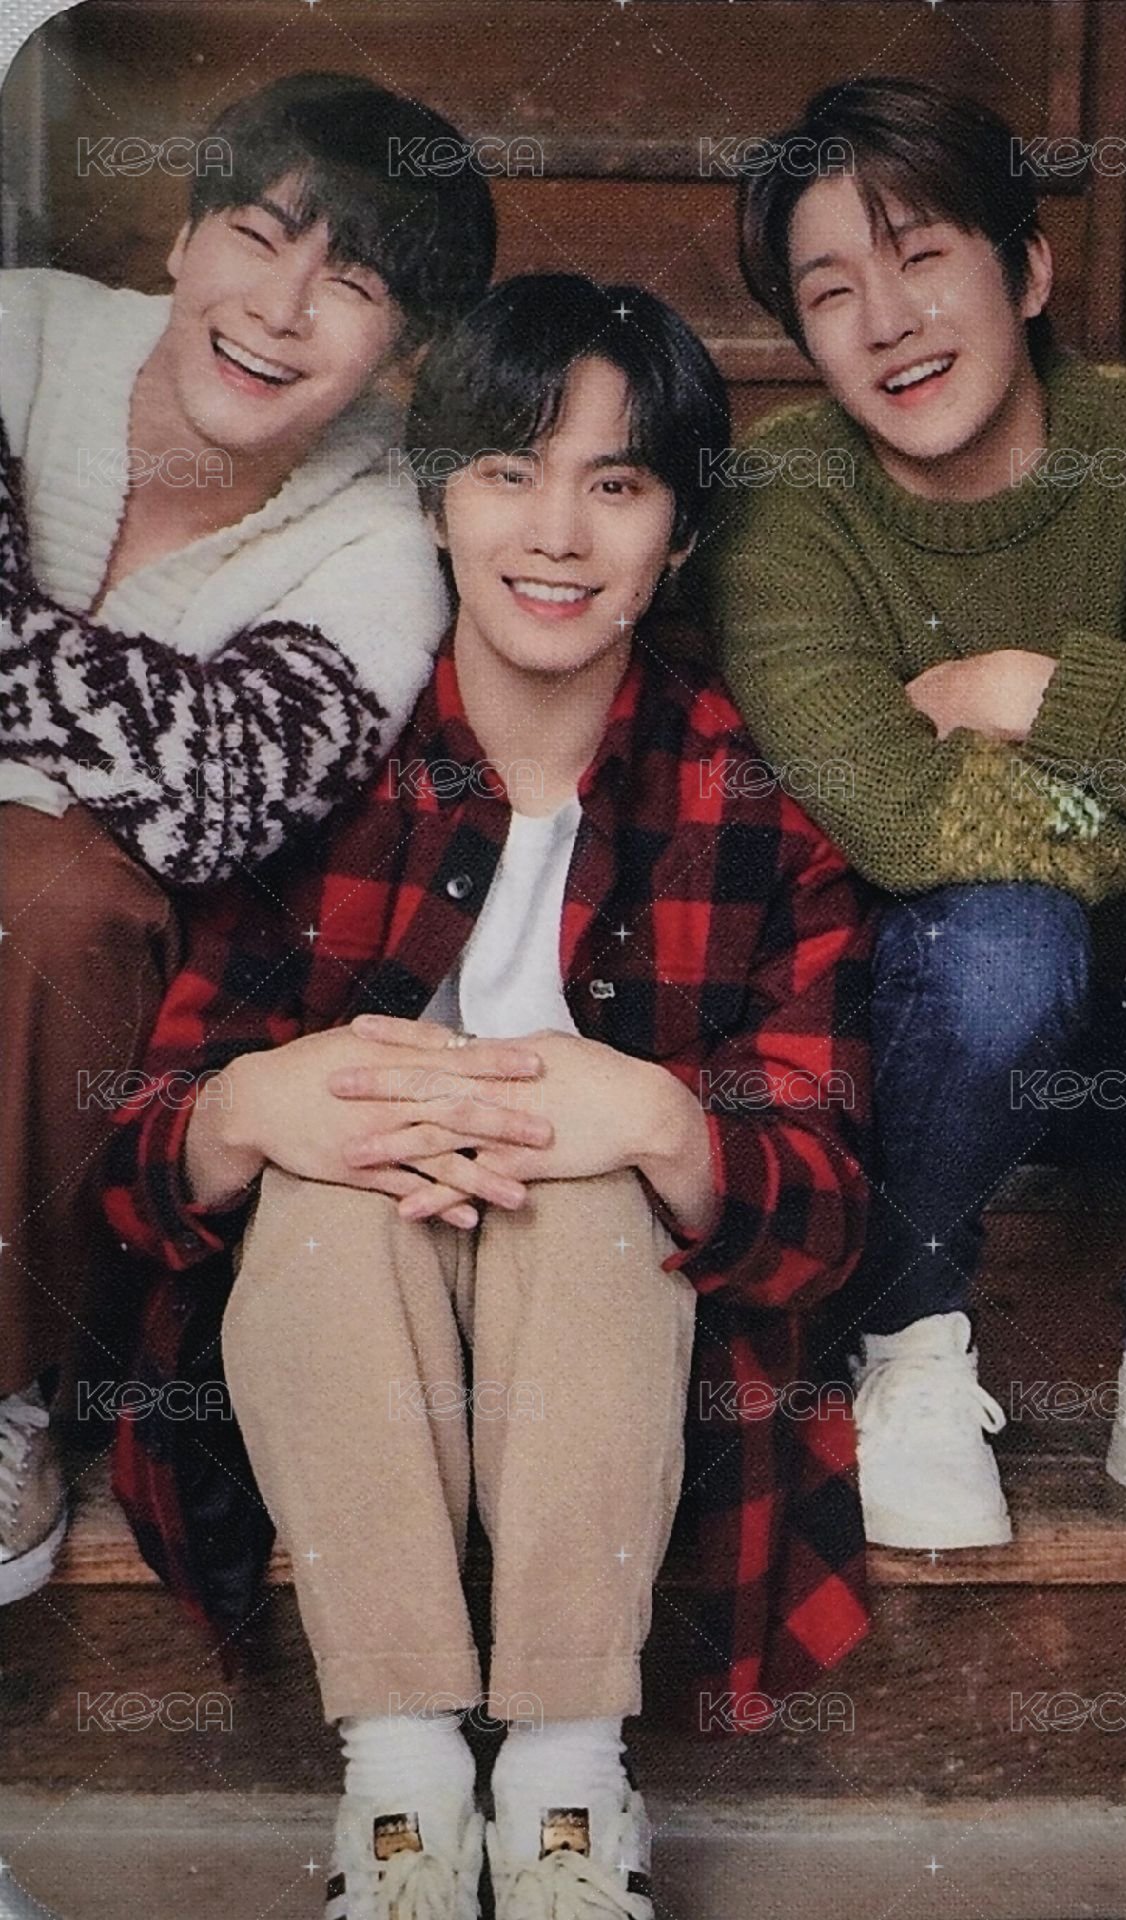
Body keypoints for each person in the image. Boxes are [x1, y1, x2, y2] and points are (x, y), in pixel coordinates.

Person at [102, 274, 873, 1917]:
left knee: (591, 1189)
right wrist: (248, 1110)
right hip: (337, 1319)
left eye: (618, 483)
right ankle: (400, 1790)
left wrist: (660, 1124)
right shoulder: (321, 753)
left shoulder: (748, 801)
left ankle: (564, 1789)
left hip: (613, 1340)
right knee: (326, 1181)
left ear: (677, 534)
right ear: (436, 496)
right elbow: (131, 1155)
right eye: (509, 471)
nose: (556, 533)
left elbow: (822, 1215)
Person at [687, 74, 1126, 1554]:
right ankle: (909, 1338)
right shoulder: (781, 502)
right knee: (1005, 936)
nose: (887, 321)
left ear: (1028, 269)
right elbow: (900, 816)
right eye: (830, 291)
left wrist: (1032, 692)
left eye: (922, 256)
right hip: (944, 1028)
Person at [0, 69, 496, 1605]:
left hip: (82, 1005)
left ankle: (7, 1391)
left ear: (402, 352)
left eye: (350, 284)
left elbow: (214, 805)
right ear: (179, 237)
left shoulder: (382, 542)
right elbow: (168, 751)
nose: (279, 310)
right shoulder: (18, 331)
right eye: (258, 236)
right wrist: (111, 736)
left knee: (59, 891)